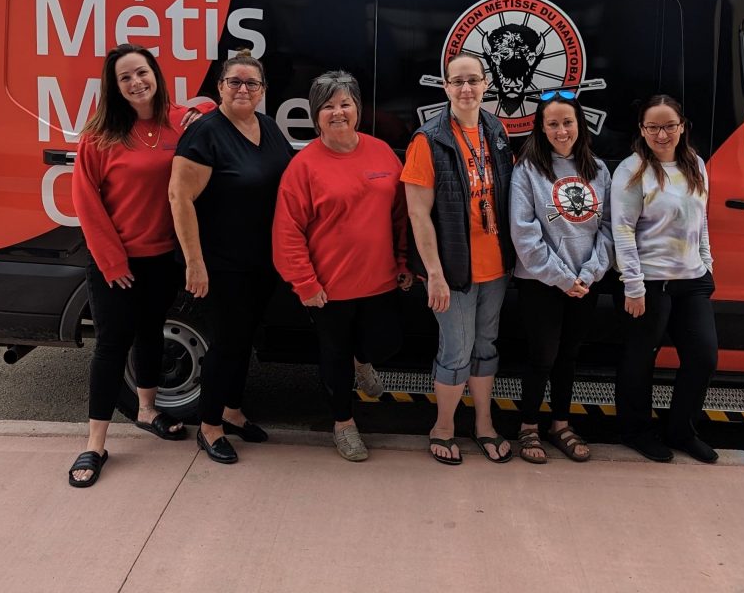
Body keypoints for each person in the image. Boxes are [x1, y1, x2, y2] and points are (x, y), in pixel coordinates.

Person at [67, 43, 209, 488]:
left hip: (162, 257)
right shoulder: (99, 135)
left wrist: (201, 108)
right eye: (125, 77)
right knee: (111, 346)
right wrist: (111, 261)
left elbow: (209, 106)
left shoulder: (175, 119)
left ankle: (147, 411)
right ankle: (94, 443)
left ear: (156, 75)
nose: (135, 82)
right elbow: (85, 202)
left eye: (141, 73)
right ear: (114, 86)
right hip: (117, 262)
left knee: (151, 333)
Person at [272, 70, 413, 461]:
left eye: (345, 104)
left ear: (357, 109)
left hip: (381, 280)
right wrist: (305, 283)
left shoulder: (381, 152)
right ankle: (344, 425)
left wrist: (404, 261)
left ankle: (362, 359)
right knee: (333, 356)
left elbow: (401, 215)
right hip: (328, 288)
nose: (338, 112)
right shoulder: (303, 167)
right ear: (316, 115)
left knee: (387, 342)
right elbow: (287, 232)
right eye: (328, 106)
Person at [169, 49, 294, 464]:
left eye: (251, 83)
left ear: (262, 91)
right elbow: (179, 197)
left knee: (246, 339)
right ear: (220, 87)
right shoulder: (205, 132)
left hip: (261, 260)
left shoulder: (267, 126)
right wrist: (194, 261)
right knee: (225, 344)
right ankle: (209, 426)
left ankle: (232, 410)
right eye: (234, 82)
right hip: (221, 263)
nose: (243, 89)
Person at [402, 52, 515, 465]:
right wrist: (433, 274)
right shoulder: (427, 140)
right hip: (453, 270)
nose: (466, 89)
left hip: (496, 268)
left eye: (473, 81)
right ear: (445, 87)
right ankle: (443, 426)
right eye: (457, 82)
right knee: (457, 349)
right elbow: (418, 214)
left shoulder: (496, 131)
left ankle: (484, 424)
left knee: (486, 345)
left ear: (486, 85)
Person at [611, 94, 719, 464]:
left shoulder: (695, 165)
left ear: (682, 126)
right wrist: (633, 284)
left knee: (703, 357)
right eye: (653, 127)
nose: (662, 134)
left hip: (692, 279)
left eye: (669, 125)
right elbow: (622, 229)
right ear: (642, 130)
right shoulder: (632, 170)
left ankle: (681, 430)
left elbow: (700, 218)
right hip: (649, 282)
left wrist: (707, 263)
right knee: (640, 360)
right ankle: (635, 430)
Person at [509, 90, 613, 464]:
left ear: (579, 124)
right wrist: (562, 277)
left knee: (568, 356)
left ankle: (560, 424)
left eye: (567, 122)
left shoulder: (598, 170)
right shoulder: (528, 170)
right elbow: (524, 233)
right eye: (552, 123)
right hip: (542, 282)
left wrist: (588, 273)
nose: (561, 130)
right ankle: (528, 426)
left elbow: (609, 230)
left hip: (585, 281)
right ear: (541, 127)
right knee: (543, 355)